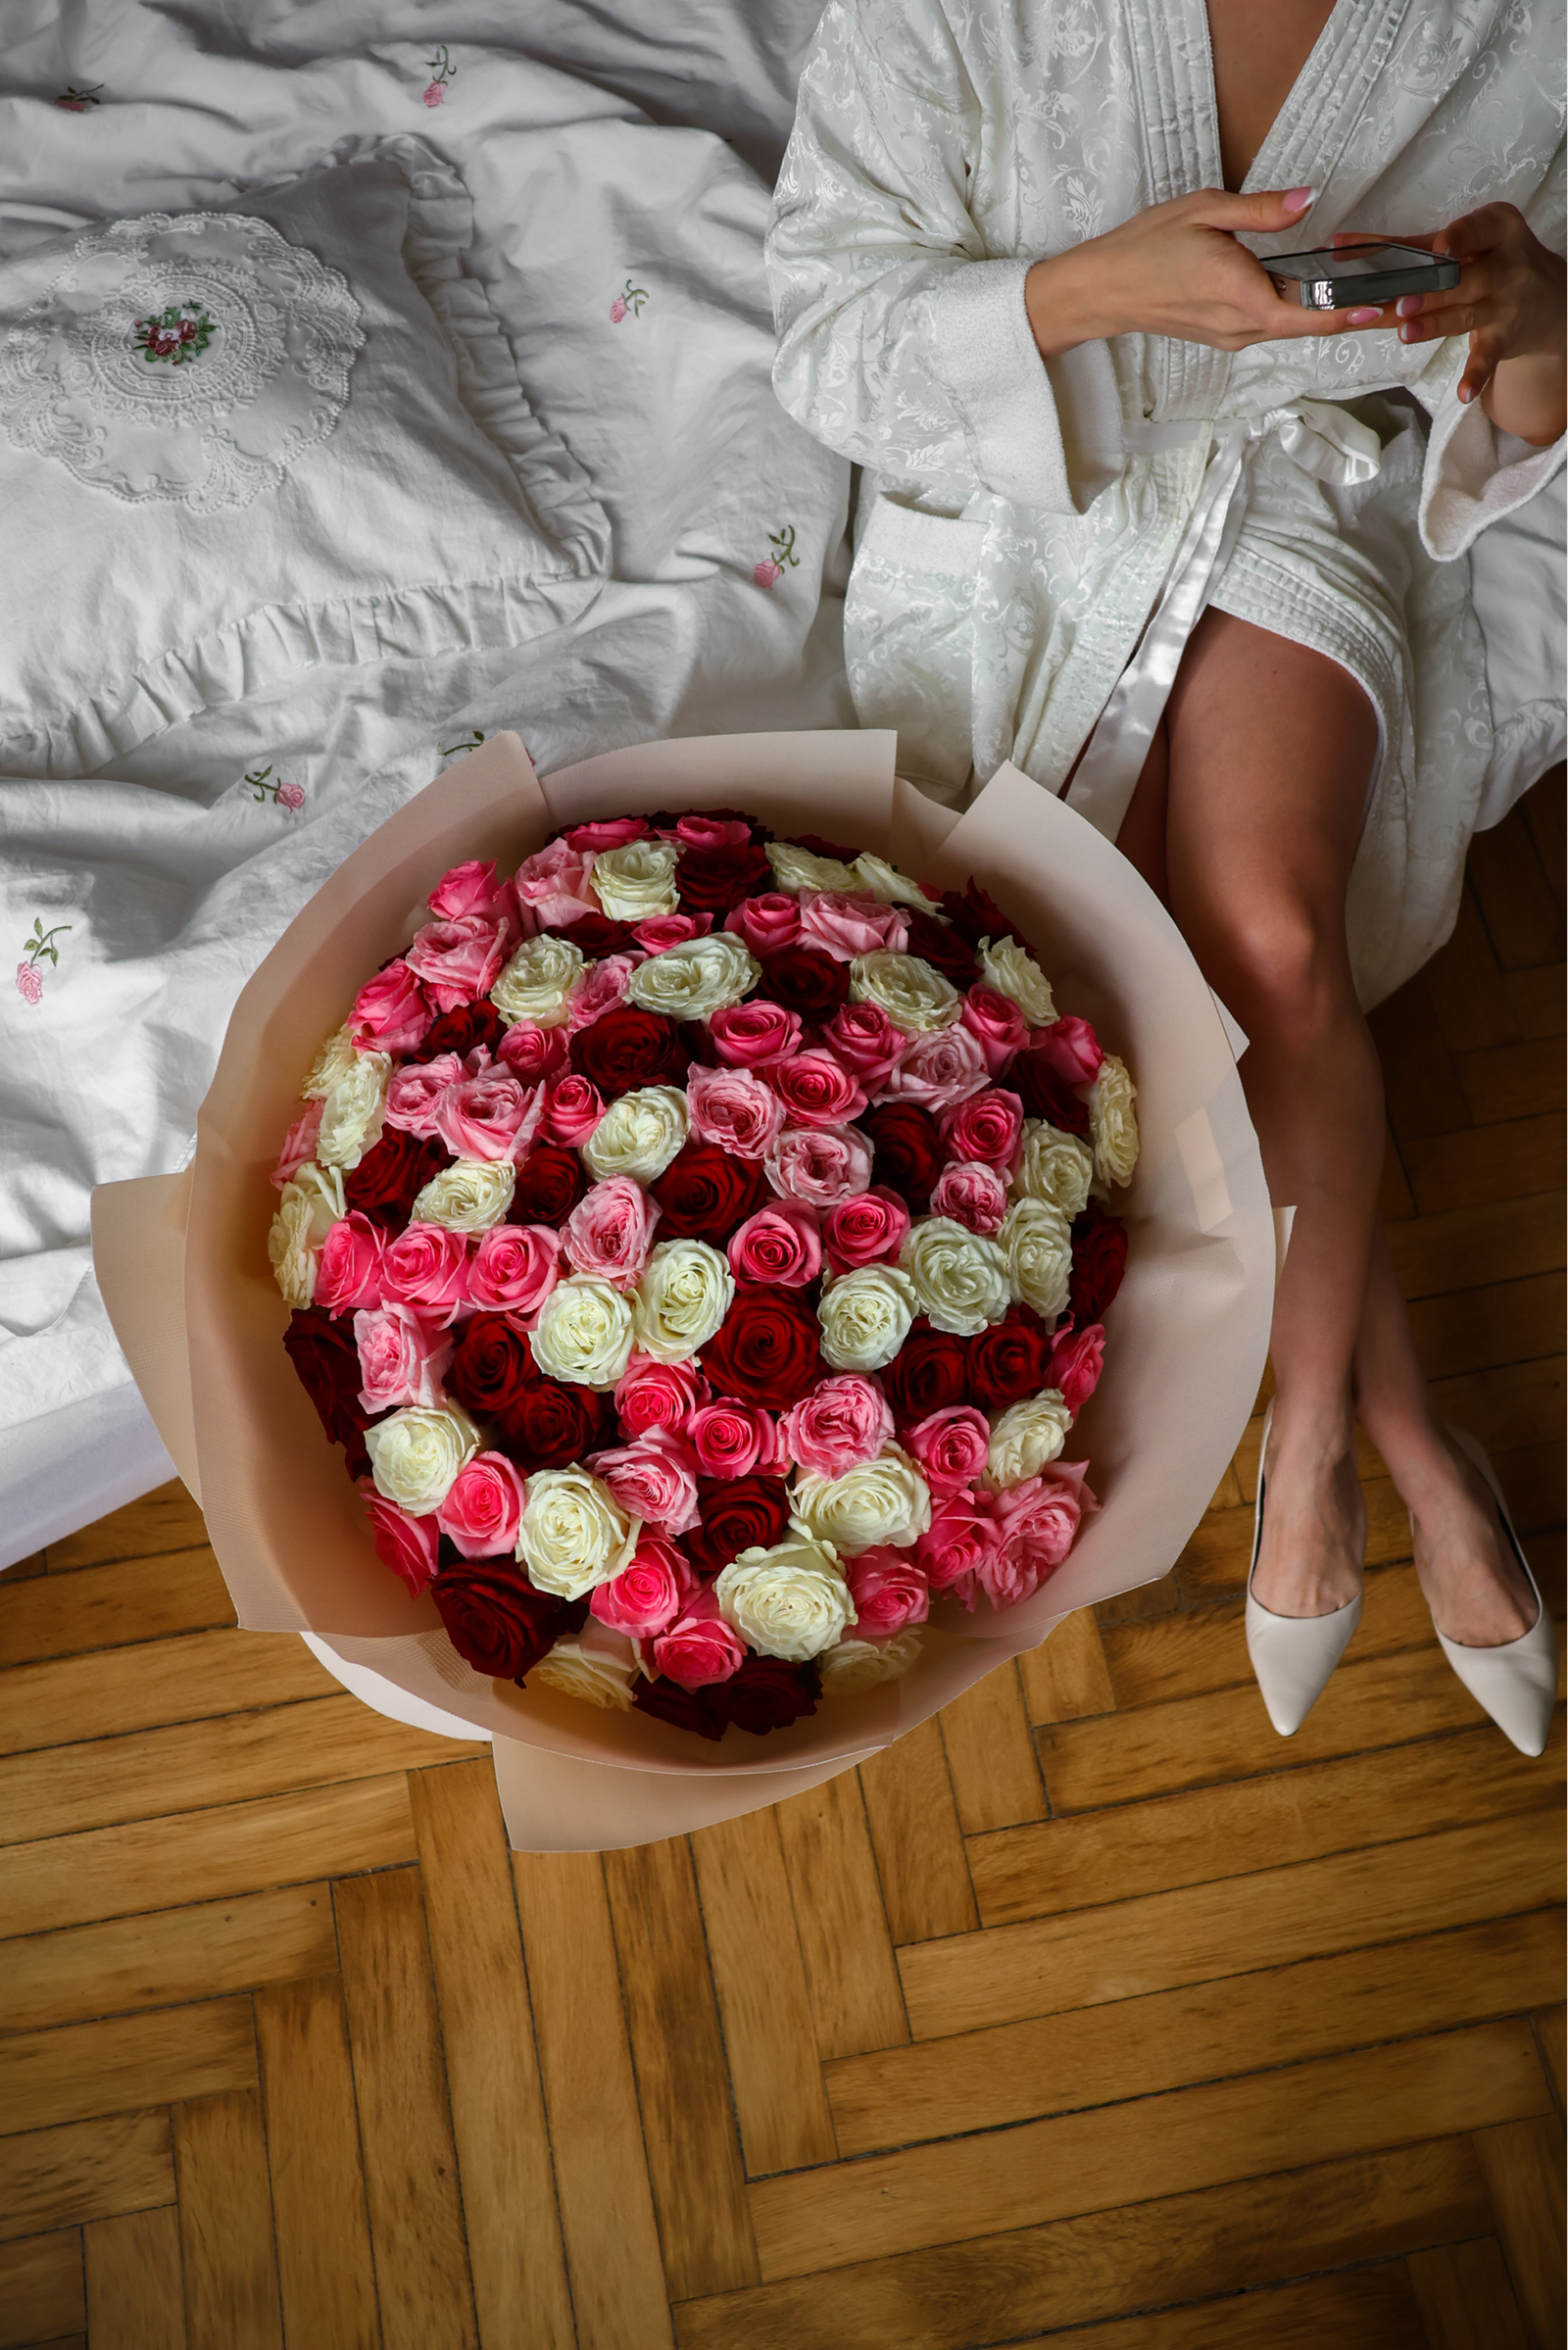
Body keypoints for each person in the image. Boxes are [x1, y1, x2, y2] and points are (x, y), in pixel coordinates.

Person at [765, 0, 1567, 1751]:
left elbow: (1516, 406)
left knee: (1271, 933)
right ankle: (1423, 1448)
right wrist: (1086, 291)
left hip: (1306, 482)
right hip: (1027, 499)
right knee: (1122, 1001)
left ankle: (1310, 1453)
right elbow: (824, 339)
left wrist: (1541, 321)